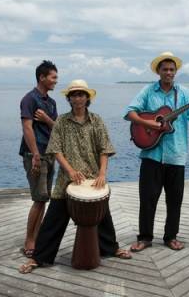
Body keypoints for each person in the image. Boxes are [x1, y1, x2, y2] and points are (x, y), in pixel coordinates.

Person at [19, 79, 131, 274]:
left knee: (103, 214)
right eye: (74, 95)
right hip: (67, 179)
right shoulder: (61, 121)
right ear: (69, 99)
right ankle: (39, 258)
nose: (78, 98)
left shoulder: (96, 120)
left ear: (87, 98)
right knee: (54, 219)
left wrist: (102, 173)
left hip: (93, 177)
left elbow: (104, 149)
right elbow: (56, 150)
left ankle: (111, 248)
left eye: (81, 94)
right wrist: (70, 171)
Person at [124, 52, 189, 252]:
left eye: (172, 69)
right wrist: (149, 123)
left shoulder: (185, 93)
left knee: (174, 200)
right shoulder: (148, 91)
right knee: (147, 199)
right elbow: (129, 113)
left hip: (176, 155)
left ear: (175, 72)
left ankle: (171, 236)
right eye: (165, 69)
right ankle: (144, 237)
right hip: (151, 154)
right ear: (158, 71)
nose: (169, 72)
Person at [19, 60, 58, 258]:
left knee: (44, 199)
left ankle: (37, 235)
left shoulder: (51, 103)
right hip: (35, 155)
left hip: (49, 154)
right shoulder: (29, 99)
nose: (55, 81)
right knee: (38, 199)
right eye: (53, 77)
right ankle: (29, 240)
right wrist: (35, 154)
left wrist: (46, 119)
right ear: (42, 77)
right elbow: (27, 128)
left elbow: (56, 128)